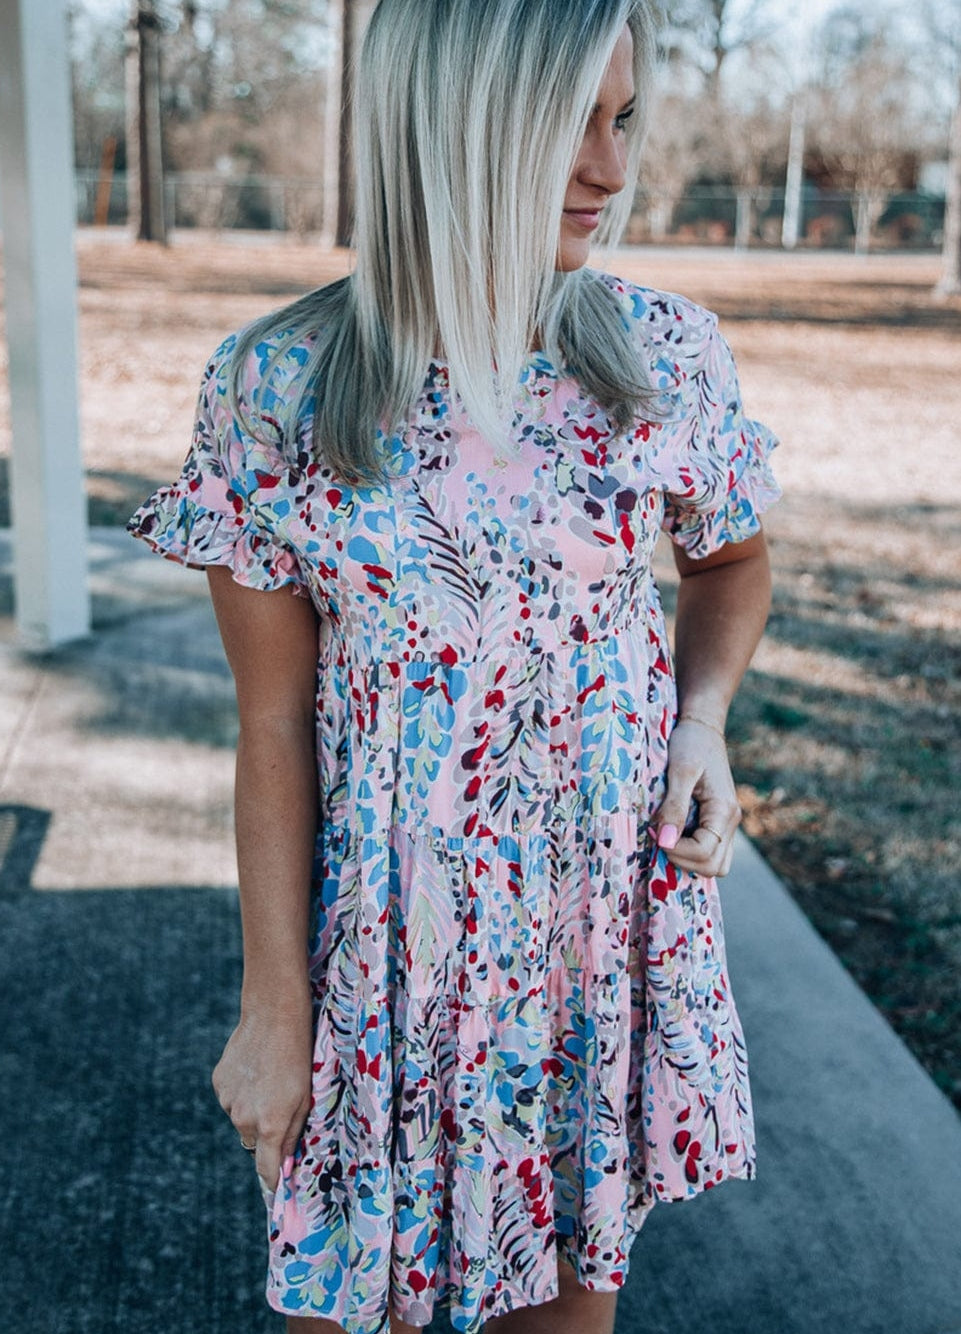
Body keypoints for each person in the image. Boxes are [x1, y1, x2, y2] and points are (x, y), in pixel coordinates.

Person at [128, 1, 780, 1331]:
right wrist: (273, 1009)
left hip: (587, 943)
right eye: (567, 127)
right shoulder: (279, 386)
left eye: (623, 120)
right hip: (385, 964)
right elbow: (271, 726)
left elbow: (729, 563)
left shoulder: (665, 357)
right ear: (454, 127)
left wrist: (701, 720)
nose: (611, 168)